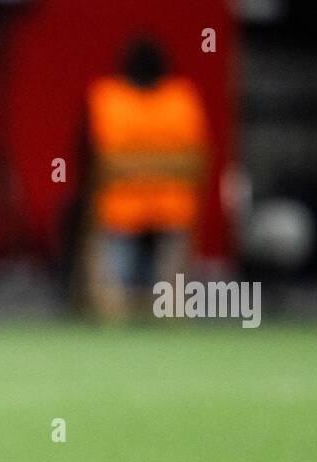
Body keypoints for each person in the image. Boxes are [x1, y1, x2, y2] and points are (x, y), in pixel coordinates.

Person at [80, 37, 210, 321]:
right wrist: (164, 164)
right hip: (128, 215)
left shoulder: (113, 98)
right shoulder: (177, 99)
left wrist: (131, 166)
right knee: (114, 296)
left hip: (152, 211)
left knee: (170, 301)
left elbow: (195, 165)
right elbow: (105, 165)